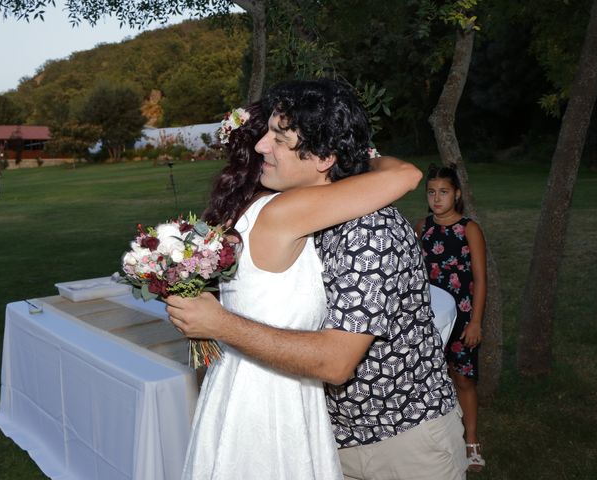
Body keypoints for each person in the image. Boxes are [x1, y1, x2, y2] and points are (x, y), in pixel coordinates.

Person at [168, 80, 424, 479]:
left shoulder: (347, 222)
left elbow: (408, 175)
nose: (259, 146)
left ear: (322, 156)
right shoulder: (285, 209)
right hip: (271, 403)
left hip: (386, 433)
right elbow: (405, 173)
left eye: (279, 137)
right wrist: (356, 156)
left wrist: (218, 323)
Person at [414, 164, 487, 472]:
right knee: (430, 379)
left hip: (464, 317)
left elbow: (481, 280)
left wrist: (475, 322)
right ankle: (433, 438)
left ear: (456, 194)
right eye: (432, 192)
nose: (437, 198)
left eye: (443, 192)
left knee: (463, 379)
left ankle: (471, 440)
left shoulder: (469, 229)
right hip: (429, 316)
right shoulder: (423, 228)